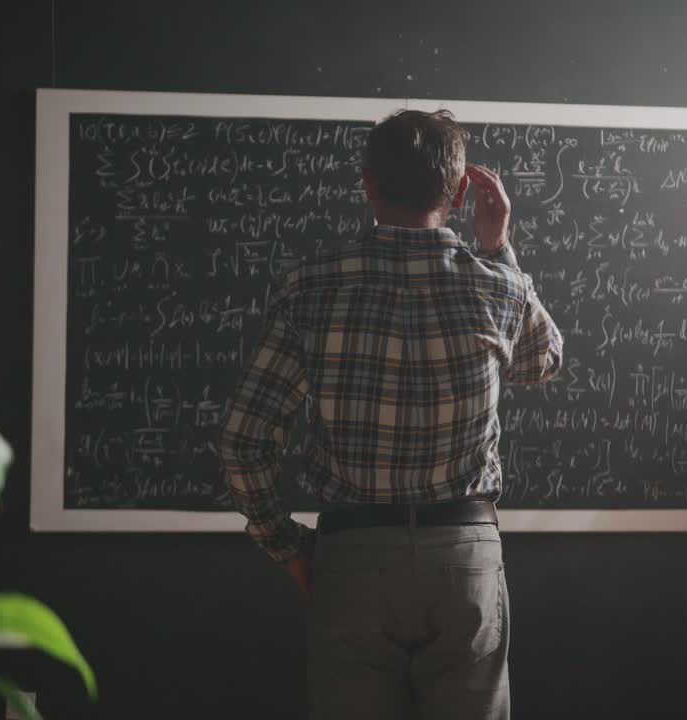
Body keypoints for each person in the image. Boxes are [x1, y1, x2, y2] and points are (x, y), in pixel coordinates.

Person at [220, 108, 563, 720]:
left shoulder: (311, 286)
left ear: (368, 184)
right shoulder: (499, 287)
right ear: (460, 192)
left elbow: (245, 438)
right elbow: (542, 361)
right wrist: (499, 247)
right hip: (463, 554)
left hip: (352, 554)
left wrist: (286, 545)